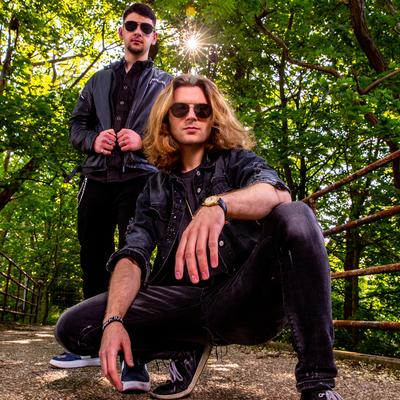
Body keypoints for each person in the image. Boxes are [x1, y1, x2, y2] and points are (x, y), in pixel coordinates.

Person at [54, 75, 344, 400]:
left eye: (202, 110)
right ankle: (186, 346)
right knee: (75, 326)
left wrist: (220, 205)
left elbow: (277, 195)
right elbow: (132, 255)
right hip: (181, 302)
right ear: (166, 119)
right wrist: (114, 319)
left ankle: (318, 384)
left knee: (296, 214)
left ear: (213, 118)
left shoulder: (236, 162)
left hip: (241, 299)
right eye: (181, 109)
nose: (192, 116)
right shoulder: (155, 187)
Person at [50, 3, 172, 371]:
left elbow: (176, 134)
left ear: (153, 37)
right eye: (131, 25)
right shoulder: (97, 80)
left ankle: (135, 354)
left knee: (135, 258)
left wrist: (144, 142)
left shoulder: (167, 85)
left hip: (141, 180)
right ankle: (90, 345)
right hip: (96, 179)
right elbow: (76, 127)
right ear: (121, 32)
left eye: (146, 28)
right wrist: (93, 140)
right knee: (92, 257)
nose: (138, 32)